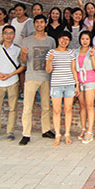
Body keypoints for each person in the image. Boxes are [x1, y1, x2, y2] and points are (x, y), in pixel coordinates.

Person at [19, 15, 57, 145]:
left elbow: (53, 58)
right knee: (27, 107)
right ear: (34, 24)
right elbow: (23, 61)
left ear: (45, 24)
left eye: (42, 22)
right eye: (37, 22)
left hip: (46, 77)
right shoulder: (26, 41)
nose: (39, 25)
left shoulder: (51, 41)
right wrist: (23, 54)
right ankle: (26, 134)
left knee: (46, 106)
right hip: (31, 77)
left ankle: (46, 130)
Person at [0, 25, 25, 143]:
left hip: (12, 81)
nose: (8, 36)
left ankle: (10, 132)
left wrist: (11, 74)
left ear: (14, 35)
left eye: (11, 33)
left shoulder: (18, 49)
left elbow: (23, 66)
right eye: (6, 33)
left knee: (13, 108)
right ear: (2, 34)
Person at [45, 31, 79, 146]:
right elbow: (48, 70)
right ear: (58, 39)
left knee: (68, 110)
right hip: (56, 85)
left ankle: (67, 134)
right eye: (62, 38)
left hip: (69, 84)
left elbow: (73, 69)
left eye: (67, 39)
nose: (64, 41)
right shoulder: (51, 52)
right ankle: (58, 134)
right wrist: (50, 60)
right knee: (56, 110)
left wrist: (77, 84)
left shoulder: (71, 53)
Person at [75, 31, 95, 144]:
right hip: (79, 79)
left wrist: (92, 56)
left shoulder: (94, 51)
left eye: (87, 39)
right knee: (82, 105)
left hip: (90, 78)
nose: (85, 41)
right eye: (83, 39)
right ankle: (83, 128)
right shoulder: (76, 52)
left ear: (90, 40)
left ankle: (90, 131)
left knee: (90, 105)